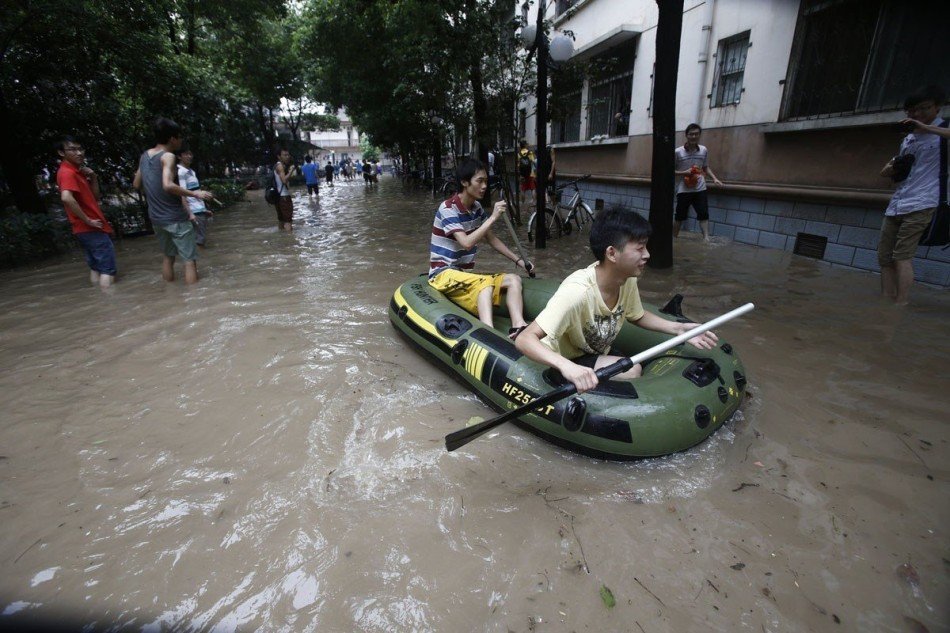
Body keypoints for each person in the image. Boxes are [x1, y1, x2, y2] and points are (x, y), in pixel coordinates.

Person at [515, 208, 718, 392]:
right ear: (612, 253)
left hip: (590, 352)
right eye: (639, 248)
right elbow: (525, 339)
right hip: (560, 358)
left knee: (632, 367)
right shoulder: (577, 292)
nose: (647, 254)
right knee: (632, 370)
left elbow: (636, 315)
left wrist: (678, 330)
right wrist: (567, 367)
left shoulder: (625, 280)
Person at [428, 157, 534, 339]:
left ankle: (519, 326)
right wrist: (493, 217)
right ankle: (488, 334)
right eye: (480, 181)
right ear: (464, 182)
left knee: (514, 279)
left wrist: (519, 261)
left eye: (486, 181)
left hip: (464, 275)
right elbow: (466, 242)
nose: (485, 186)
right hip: (442, 274)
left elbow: (492, 240)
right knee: (485, 284)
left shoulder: (476, 207)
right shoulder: (447, 208)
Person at [878, 86, 947, 305]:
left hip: (924, 202)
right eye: (911, 111)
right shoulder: (908, 139)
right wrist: (890, 170)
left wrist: (925, 127)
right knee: (884, 256)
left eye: (923, 109)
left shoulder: (942, 132)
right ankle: (886, 301)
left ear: (937, 107)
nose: (916, 115)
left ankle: (900, 304)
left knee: (902, 256)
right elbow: (897, 173)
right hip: (898, 202)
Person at [133, 117, 213, 284]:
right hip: (175, 217)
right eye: (179, 137)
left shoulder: (144, 156)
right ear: (172, 138)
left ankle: (170, 294)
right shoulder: (168, 156)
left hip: (156, 218)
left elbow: (136, 184)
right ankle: (196, 301)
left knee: (168, 257)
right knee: (189, 260)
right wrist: (196, 194)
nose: (181, 140)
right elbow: (168, 185)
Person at [56, 136, 117, 287]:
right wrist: (87, 220)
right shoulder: (67, 172)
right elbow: (66, 198)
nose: (78, 153)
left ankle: (100, 301)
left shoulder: (77, 172)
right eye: (72, 150)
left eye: (80, 149)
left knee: (96, 267)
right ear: (61, 153)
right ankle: (112, 303)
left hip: (85, 228)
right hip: (90, 226)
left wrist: (94, 178)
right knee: (108, 270)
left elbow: (94, 198)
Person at [673, 123, 723, 241]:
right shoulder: (678, 152)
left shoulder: (703, 150)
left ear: (699, 135)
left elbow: (705, 167)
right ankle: (674, 238)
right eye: (691, 134)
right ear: (686, 135)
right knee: (680, 216)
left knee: (703, 214)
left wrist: (715, 178)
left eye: (696, 134)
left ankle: (706, 239)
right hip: (683, 188)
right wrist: (684, 172)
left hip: (700, 187)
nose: (694, 136)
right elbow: (670, 170)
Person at [177, 145, 213, 247]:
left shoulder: (191, 172)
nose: (189, 156)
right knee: (198, 243)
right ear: (179, 157)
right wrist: (190, 214)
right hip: (193, 213)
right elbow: (182, 194)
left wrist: (204, 209)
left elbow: (195, 194)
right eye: (186, 154)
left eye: (190, 154)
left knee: (200, 240)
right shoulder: (181, 172)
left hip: (199, 211)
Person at [273, 148, 297, 230]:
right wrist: (291, 171)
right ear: (279, 156)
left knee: (281, 220)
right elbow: (284, 180)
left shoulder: (276, 165)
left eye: (288, 155)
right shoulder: (280, 166)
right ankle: (290, 242)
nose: (287, 157)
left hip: (278, 197)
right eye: (285, 155)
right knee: (288, 221)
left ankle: (283, 240)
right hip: (284, 197)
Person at [518, 139, 536, 211]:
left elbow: (518, 165)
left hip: (522, 174)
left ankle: (522, 203)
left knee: (523, 189)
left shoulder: (519, 154)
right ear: (525, 145)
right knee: (533, 188)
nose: (528, 145)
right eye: (527, 144)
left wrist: (520, 174)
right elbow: (533, 162)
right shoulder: (530, 153)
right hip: (530, 174)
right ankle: (534, 202)